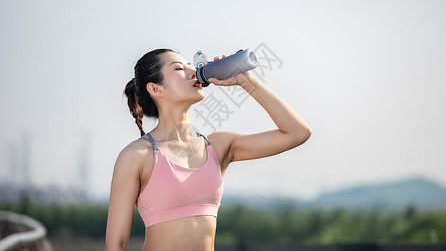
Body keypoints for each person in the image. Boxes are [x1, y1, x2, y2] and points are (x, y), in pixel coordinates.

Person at [104, 48, 311, 251]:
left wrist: (246, 82)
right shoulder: (137, 156)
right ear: (156, 89)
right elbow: (115, 245)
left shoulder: (218, 146)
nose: (193, 72)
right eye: (179, 69)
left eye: (190, 66)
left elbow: (297, 133)